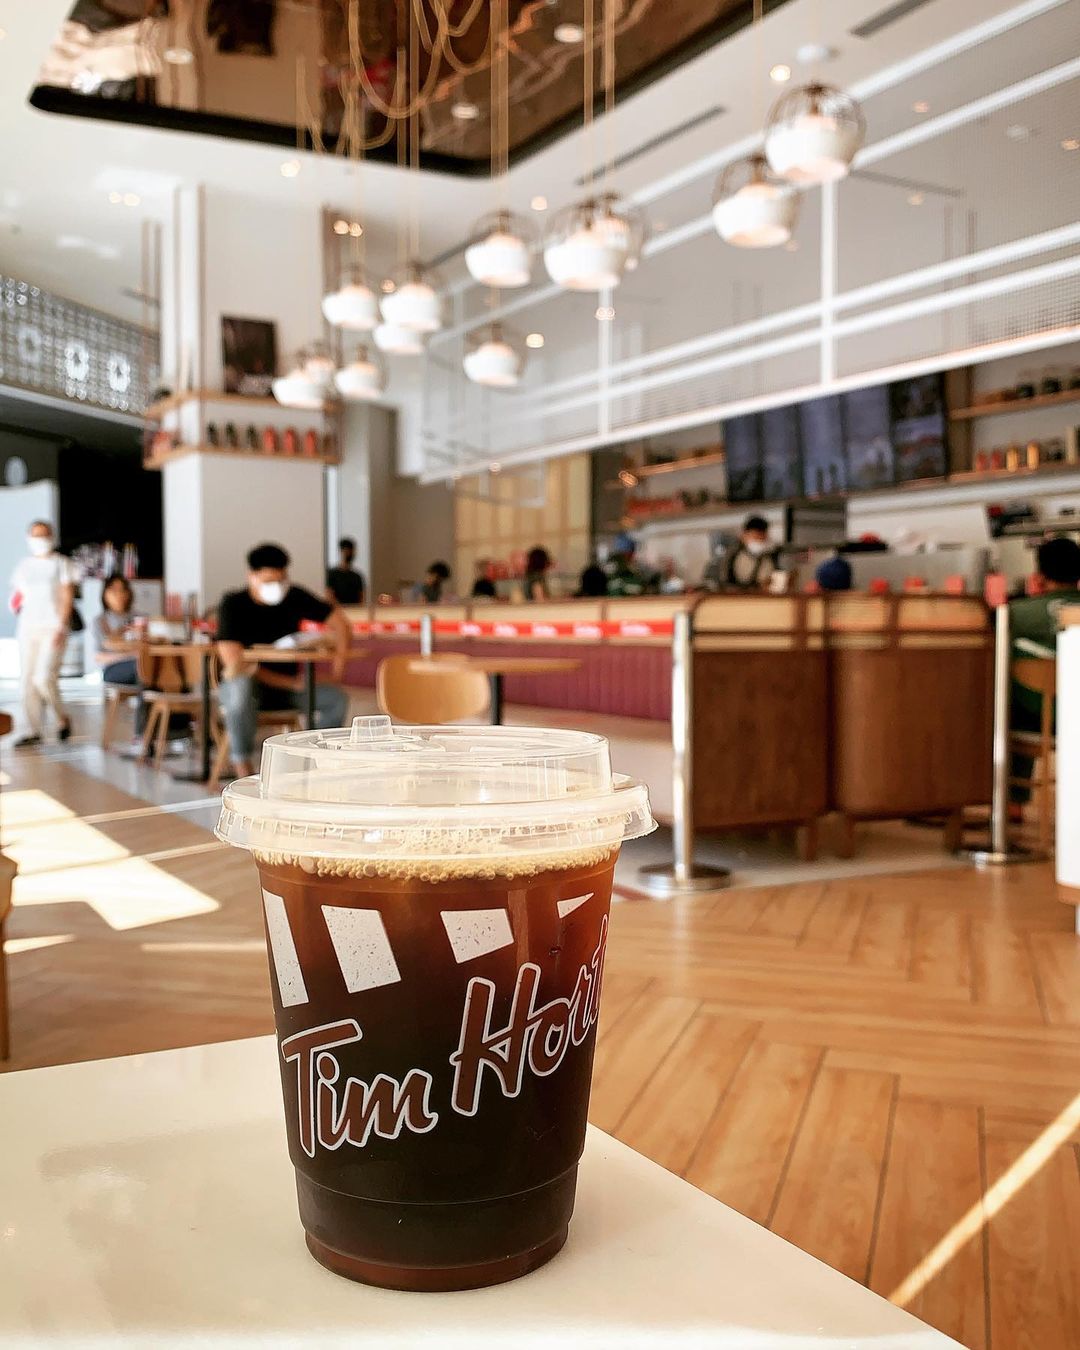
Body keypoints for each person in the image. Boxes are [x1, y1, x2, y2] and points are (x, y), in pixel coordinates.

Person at [216, 543, 349, 779]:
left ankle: (310, 760)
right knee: (241, 690)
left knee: (336, 699)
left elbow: (340, 623)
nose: (276, 587)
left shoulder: (294, 596)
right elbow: (236, 663)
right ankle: (242, 767)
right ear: (251, 577)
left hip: (287, 690)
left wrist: (338, 670)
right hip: (249, 686)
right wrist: (291, 683)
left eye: (280, 580)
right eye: (268, 582)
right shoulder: (232, 605)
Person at [1008, 537, 1080, 803]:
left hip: (1035, 721)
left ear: (1039, 575)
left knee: (1009, 702)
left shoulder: (1015, 613)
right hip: (1077, 717)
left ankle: (1014, 804)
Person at [10, 520, 75, 748]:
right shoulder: (24, 566)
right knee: (27, 680)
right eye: (35, 535)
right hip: (28, 628)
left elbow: (68, 596)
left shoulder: (61, 564)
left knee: (43, 677)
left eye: (44, 534)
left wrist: (61, 626)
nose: (40, 539)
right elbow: (18, 596)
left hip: (53, 628)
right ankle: (33, 729)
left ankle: (61, 717)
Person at [92, 573, 148, 735]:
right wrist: (130, 655)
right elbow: (98, 656)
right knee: (143, 669)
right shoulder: (100, 621)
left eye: (123, 590)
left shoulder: (140, 619)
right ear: (105, 594)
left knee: (156, 669)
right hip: (113, 670)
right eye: (113, 590)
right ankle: (142, 732)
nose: (119, 594)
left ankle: (173, 727)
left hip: (140, 664)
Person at [724, 515, 781, 590]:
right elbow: (727, 584)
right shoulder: (733, 556)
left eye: (762, 537)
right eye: (755, 537)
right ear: (744, 536)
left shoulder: (772, 555)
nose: (759, 541)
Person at [326, 537, 366, 607]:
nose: (349, 553)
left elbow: (361, 598)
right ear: (341, 551)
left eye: (351, 551)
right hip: (338, 611)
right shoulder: (332, 574)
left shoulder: (357, 576)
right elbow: (330, 596)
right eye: (347, 550)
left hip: (354, 612)